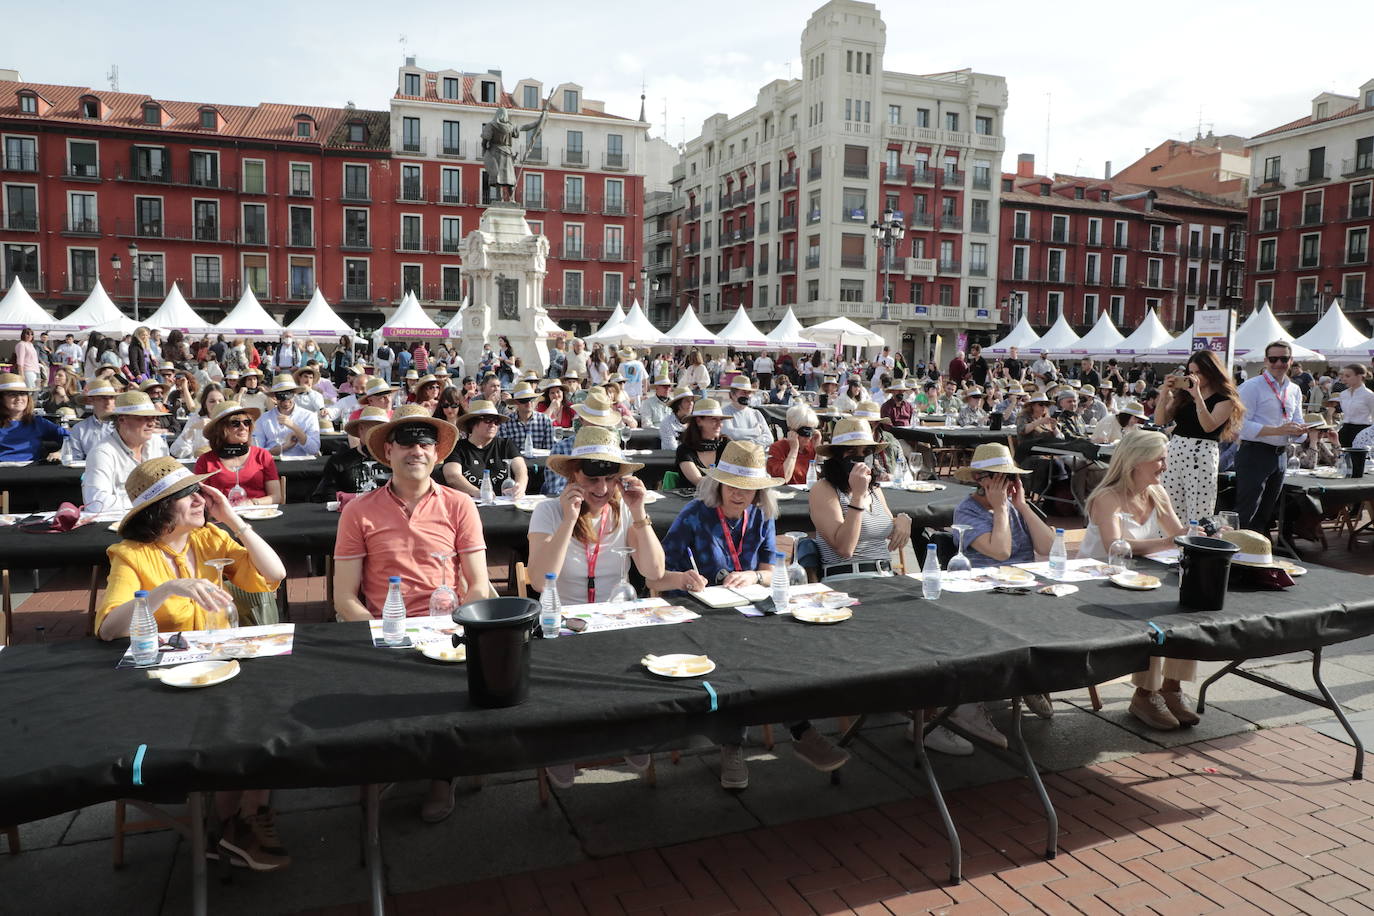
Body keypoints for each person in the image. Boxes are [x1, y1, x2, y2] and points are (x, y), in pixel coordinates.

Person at [95, 455, 288, 869]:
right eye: (186, 494)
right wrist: (167, 589)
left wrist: (234, 518)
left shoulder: (209, 540)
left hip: (218, 667)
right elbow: (110, 627)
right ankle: (230, 825)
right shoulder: (131, 554)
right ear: (160, 508)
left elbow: (274, 573)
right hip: (165, 681)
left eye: (198, 490)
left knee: (269, 714)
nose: (201, 498)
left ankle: (242, 818)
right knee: (233, 726)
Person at [656, 440, 850, 786]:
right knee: (735, 661)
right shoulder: (693, 515)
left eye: (747, 489)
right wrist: (685, 579)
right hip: (705, 613)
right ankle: (738, 744)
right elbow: (658, 575)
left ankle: (799, 732)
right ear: (718, 484)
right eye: (731, 485)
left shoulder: (759, 515)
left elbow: (773, 570)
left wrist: (754, 575)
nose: (739, 494)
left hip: (750, 609)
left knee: (782, 653)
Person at [333, 405, 491, 821]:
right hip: (385, 630)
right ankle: (393, 762)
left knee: (448, 692)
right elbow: (344, 599)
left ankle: (441, 775)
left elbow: (476, 583)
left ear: (437, 453)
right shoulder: (359, 511)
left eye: (425, 441)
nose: (416, 450)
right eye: (406, 441)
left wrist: (455, 628)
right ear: (388, 451)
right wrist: (386, 634)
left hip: (446, 627)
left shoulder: (460, 505)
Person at [1078, 430, 1195, 730]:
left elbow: (1179, 537)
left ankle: (1171, 689)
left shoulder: (1157, 493)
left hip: (1136, 579)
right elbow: (1115, 546)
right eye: (1160, 460)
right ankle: (1146, 694)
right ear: (1137, 461)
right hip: (1095, 585)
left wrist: (1198, 538)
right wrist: (1172, 541)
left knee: (1191, 605)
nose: (1165, 466)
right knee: (1157, 615)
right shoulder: (1107, 497)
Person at [807, 418, 911, 581]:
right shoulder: (824, 489)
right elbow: (844, 548)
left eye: (866, 452)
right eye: (852, 452)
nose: (861, 458)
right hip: (847, 577)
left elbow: (887, 525)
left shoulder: (874, 489)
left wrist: (903, 519)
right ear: (837, 457)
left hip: (885, 575)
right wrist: (857, 496)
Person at [1154, 350, 1243, 523]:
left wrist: (1198, 398)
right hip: (1175, 451)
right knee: (1170, 508)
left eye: (1198, 373)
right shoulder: (1184, 394)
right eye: (1190, 372)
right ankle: (1168, 545)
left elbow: (1208, 426)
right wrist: (1164, 393)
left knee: (1199, 510)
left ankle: (1195, 545)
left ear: (1211, 372)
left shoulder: (1224, 398)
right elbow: (1160, 420)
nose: (1193, 377)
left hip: (1201, 454)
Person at [1234, 341, 1308, 532]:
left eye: (1283, 359)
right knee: (1247, 511)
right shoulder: (1251, 386)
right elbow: (1239, 425)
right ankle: (1235, 557)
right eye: (1273, 359)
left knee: (1265, 514)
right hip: (1254, 454)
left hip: (1281, 456)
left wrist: (1299, 431)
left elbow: (1297, 423)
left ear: (1291, 361)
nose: (1278, 363)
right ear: (1266, 360)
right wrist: (1279, 430)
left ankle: (1253, 556)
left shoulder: (1294, 389)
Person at [952, 444, 1057, 568]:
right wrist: (1000, 508)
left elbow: (1050, 548)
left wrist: (1023, 506)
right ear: (978, 478)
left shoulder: (1015, 507)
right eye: (999, 477)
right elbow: (1001, 553)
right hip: (987, 582)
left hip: (1023, 580)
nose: (1007, 483)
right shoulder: (966, 512)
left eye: (1011, 476)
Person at [83, 392, 169, 511]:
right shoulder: (102, 453)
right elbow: (96, 502)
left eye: (153, 417)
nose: (152, 423)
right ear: (122, 420)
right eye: (144, 418)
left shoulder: (157, 442)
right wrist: (149, 499)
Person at [194, 400, 282, 505]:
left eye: (246, 422)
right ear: (220, 429)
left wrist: (252, 503)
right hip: (223, 517)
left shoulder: (262, 455)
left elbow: (276, 497)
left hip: (259, 514)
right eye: (235, 423)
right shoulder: (205, 461)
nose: (243, 427)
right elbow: (200, 499)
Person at [442, 400, 526, 497]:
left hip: (504, 503)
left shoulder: (506, 444)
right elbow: (452, 476)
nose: (493, 425)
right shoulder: (458, 447)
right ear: (472, 423)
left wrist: (520, 486)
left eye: (496, 421)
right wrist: (477, 492)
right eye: (488, 420)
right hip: (472, 504)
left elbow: (521, 469)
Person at [312, 407, 392, 501]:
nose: (377, 435)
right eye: (373, 430)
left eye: (382, 431)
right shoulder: (339, 461)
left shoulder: (393, 460)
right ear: (360, 429)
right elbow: (326, 495)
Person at [0, 372, 64, 463]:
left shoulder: (37, 422)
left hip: (30, 473)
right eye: (12, 394)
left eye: (23, 393)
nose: (19, 398)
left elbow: (72, 438)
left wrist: (60, 452)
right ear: (1, 398)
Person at [254, 375, 320, 457]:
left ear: (295, 394)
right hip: (272, 464)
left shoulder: (309, 416)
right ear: (275, 397)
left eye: (289, 395)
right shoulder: (263, 419)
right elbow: (257, 451)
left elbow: (314, 449)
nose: (285, 401)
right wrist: (285, 447)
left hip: (300, 466)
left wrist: (295, 428)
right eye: (281, 396)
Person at [675, 397, 728, 485]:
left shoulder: (726, 444)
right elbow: (699, 482)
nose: (720, 424)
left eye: (721, 420)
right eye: (714, 419)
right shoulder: (684, 450)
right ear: (699, 421)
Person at [766, 403, 821, 484]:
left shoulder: (812, 446)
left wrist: (818, 450)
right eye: (805, 432)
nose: (809, 437)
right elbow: (782, 479)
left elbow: (823, 476)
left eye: (811, 431)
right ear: (792, 430)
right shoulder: (777, 448)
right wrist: (794, 450)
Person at [69, 377, 120, 461]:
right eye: (103, 398)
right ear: (90, 401)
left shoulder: (125, 425)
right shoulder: (79, 429)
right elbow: (75, 459)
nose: (108, 402)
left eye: (111, 397)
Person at [170, 384, 227, 458]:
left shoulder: (231, 420)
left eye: (220, 401)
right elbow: (176, 452)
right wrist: (192, 429)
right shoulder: (196, 419)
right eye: (212, 401)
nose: (217, 404)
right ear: (205, 404)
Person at [500, 382, 555, 450]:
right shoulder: (505, 423)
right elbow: (504, 450)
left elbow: (549, 450)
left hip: (540, 460)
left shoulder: (545, 421)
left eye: (531, 399)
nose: (529, 403)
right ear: (516, 402)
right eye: (524, 400)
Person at [720, 377, 771, 446]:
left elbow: (769, 438)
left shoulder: (756, 413)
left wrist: (750, 443)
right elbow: (730, 433)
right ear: (732, 394)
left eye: (749, 392)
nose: (747, 395)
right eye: (743, 392)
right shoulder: (724, 413)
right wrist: (755, 432)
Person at [1336, 364, 1374, 448]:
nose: (1344, 378)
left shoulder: (1369, 395)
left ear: (1359, 377)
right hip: (1345, 430)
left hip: (1363, 431)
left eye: (1348, 376)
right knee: (1344, 459)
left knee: (1359, 460)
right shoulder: (1343, 394)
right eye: (1343, 375)